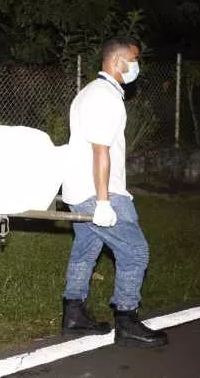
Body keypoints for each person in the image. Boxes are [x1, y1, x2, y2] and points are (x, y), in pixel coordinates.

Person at [60, 36, 168, 348]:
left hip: (81, 189)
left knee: (85, 251)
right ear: (117, 61)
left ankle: (74, 315)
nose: (137, 66)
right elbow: (100, 151)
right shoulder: (104, 96)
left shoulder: (91, 93)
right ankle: (127, 320)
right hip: (99, 193)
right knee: (135, 252)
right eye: (134, 59)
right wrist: (105, 201)